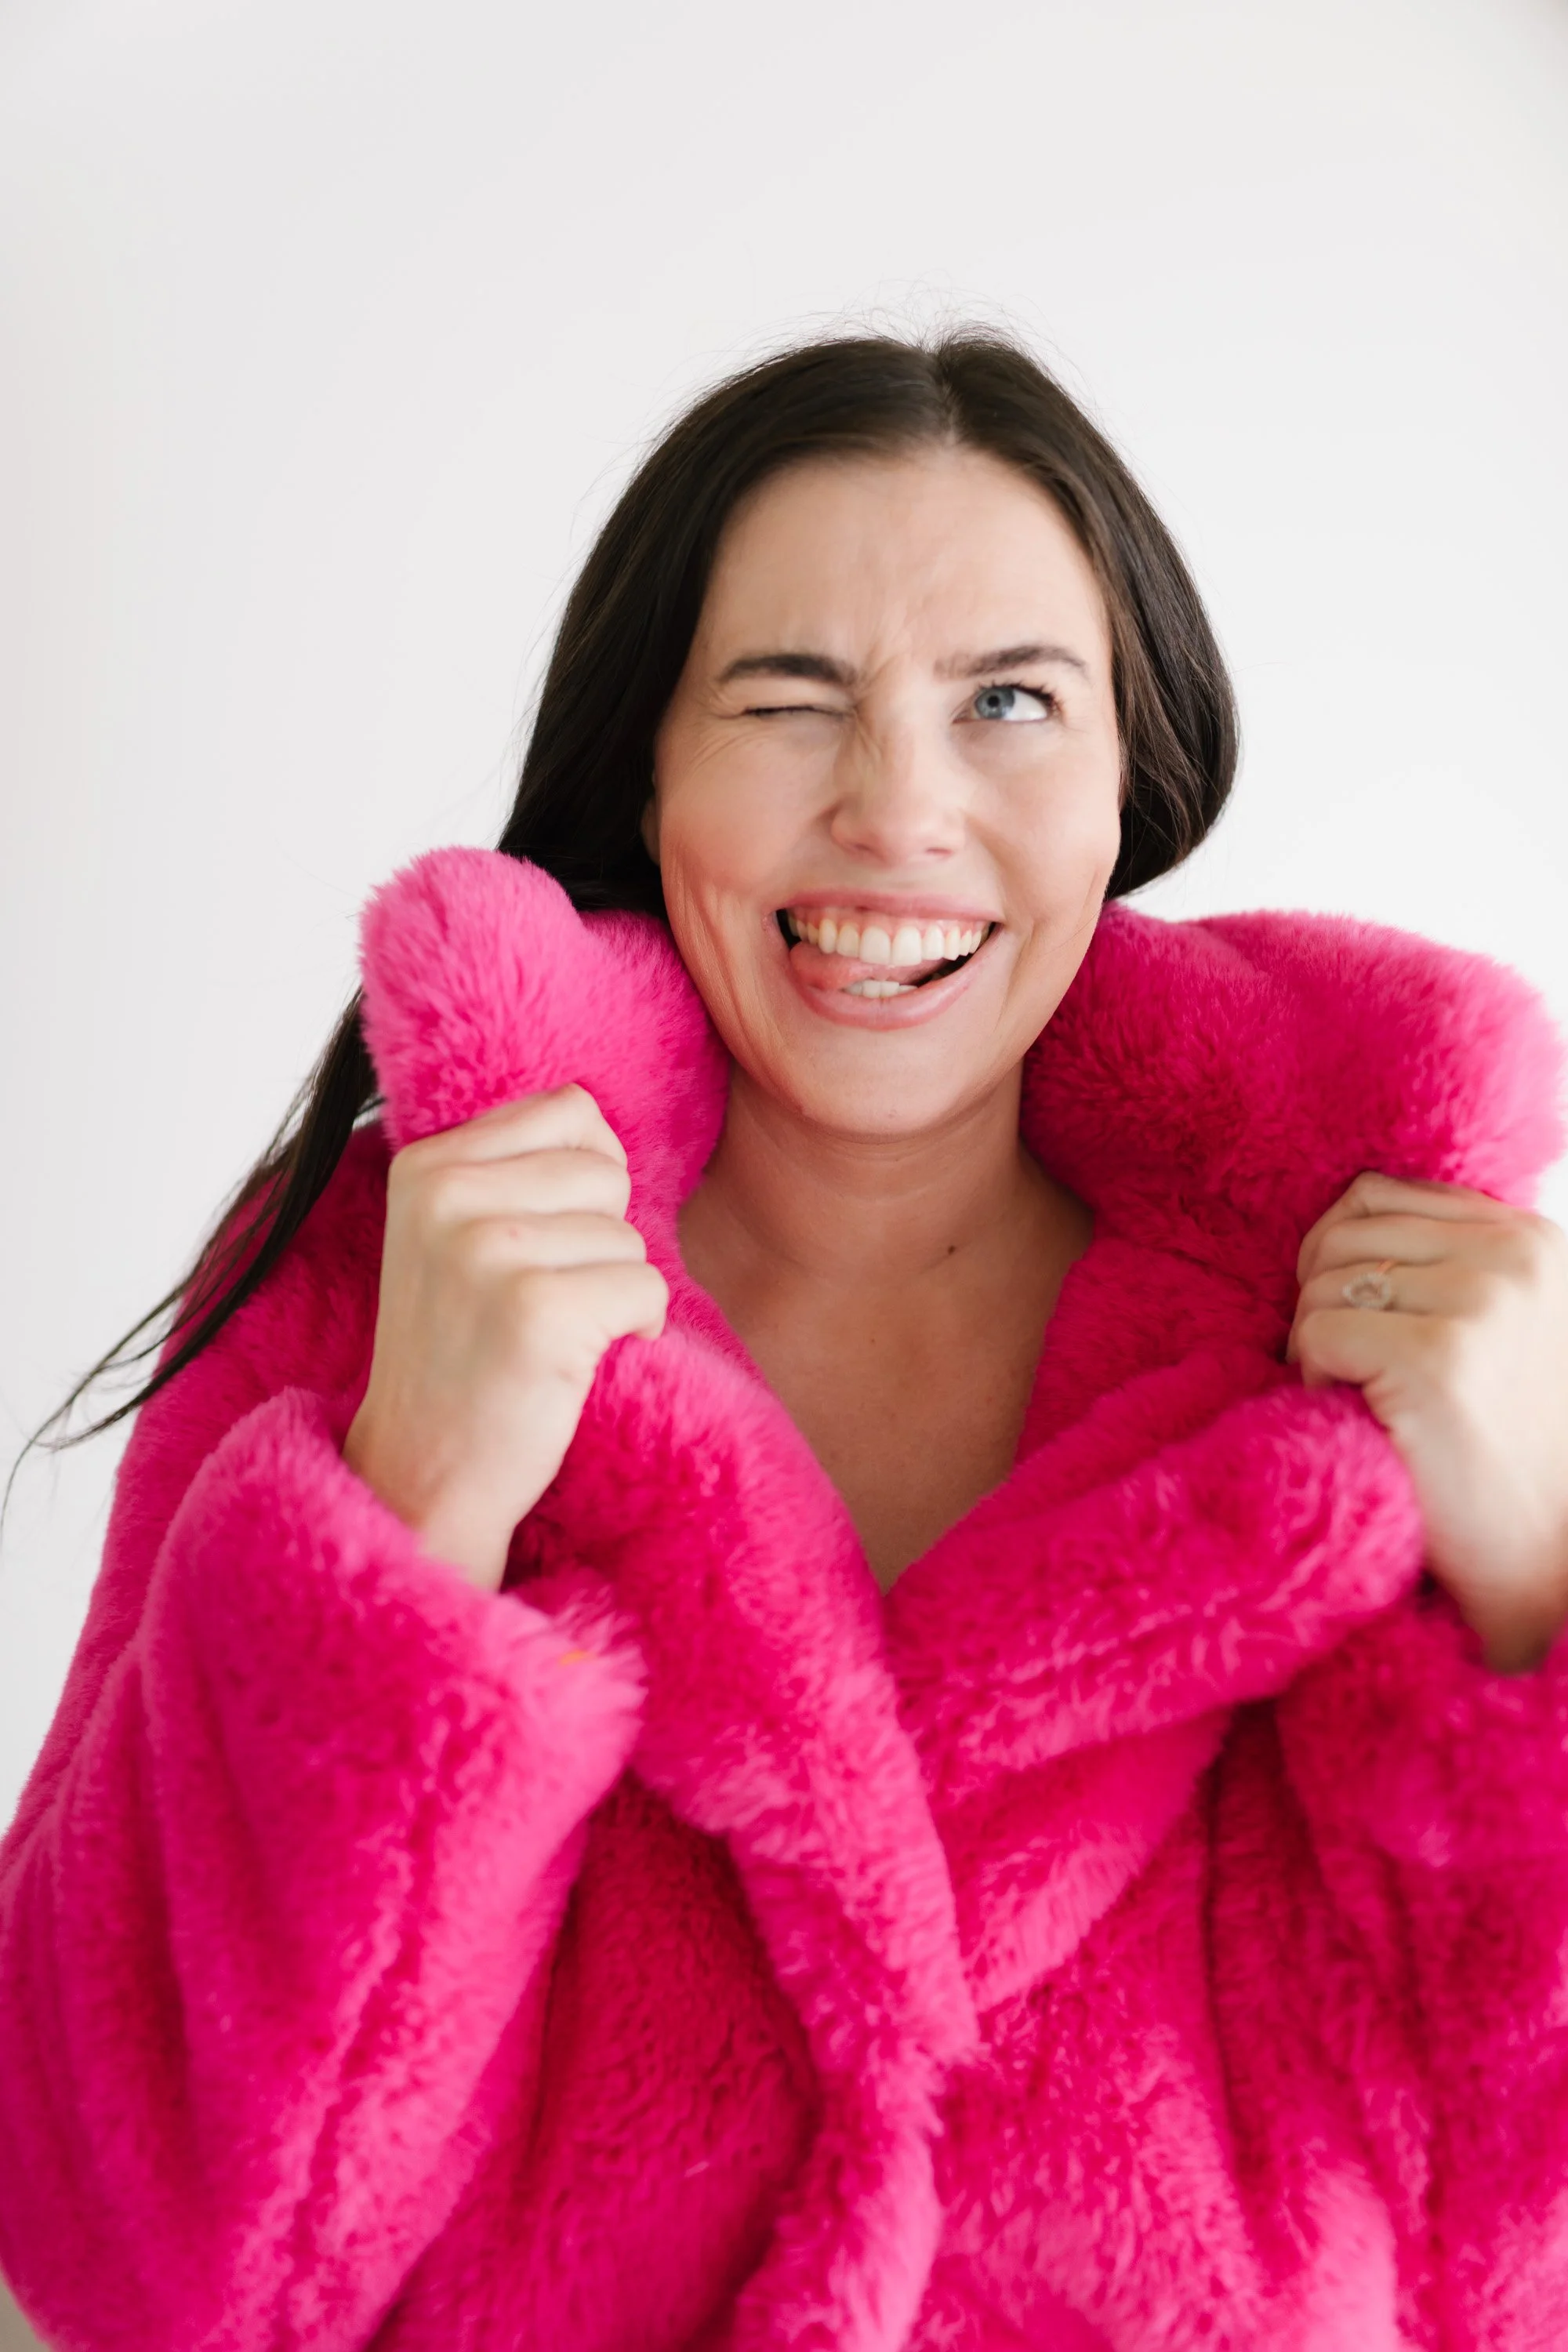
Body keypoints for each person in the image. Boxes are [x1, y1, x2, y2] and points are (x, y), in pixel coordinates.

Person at [3, 328, 1568, 2352]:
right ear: (650, 767)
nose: (898, 810)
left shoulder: (1396, 1356)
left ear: (1128, 782)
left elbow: (1525, 2252)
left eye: (1010, 702)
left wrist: (1537, 1588)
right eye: (786, 696)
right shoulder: (370, 1293)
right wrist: (413, 1511)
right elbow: (109, 2245)